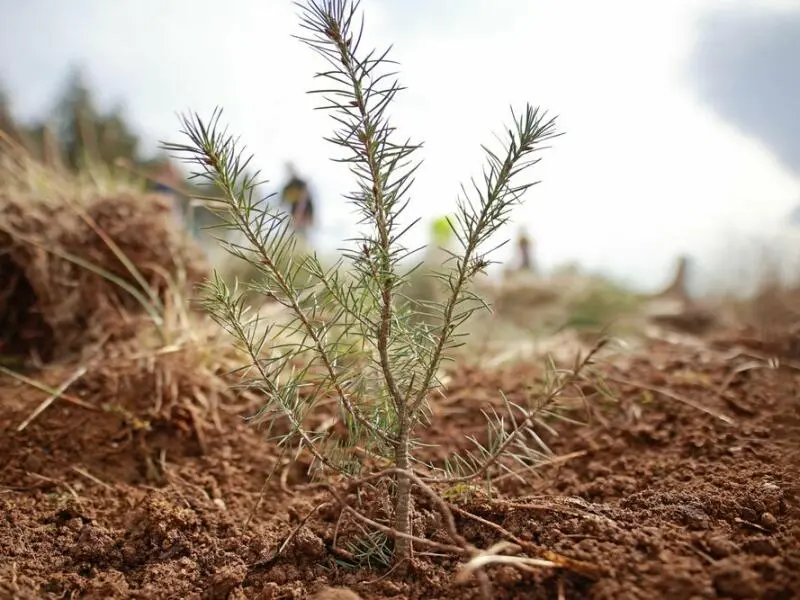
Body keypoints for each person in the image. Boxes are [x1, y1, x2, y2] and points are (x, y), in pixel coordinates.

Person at [280, 163, 314, 235]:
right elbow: (282, 203)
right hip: (294, 216)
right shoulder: (287, 187)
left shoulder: (301, 183)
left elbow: (303, 201)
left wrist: (299, 217)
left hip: (304, 216)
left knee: (303, 235)